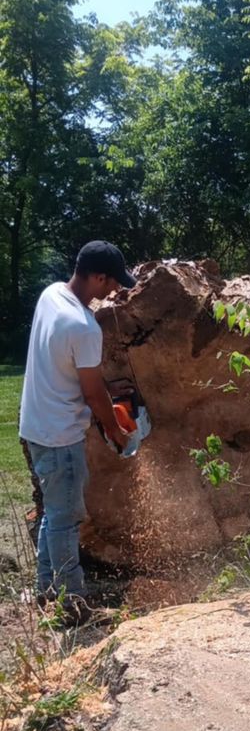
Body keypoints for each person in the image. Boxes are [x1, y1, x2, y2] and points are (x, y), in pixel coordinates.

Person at [19, 241, 137, 607]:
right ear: (97, 276)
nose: (115, 290)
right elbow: (92, 392)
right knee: (66, 520)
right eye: (113, 282)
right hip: (60, 435)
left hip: (35, 425)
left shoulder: (51, 294)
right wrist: (117, 431)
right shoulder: (84, 327)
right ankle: (72, 603)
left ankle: (46, 590)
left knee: (53, 514)